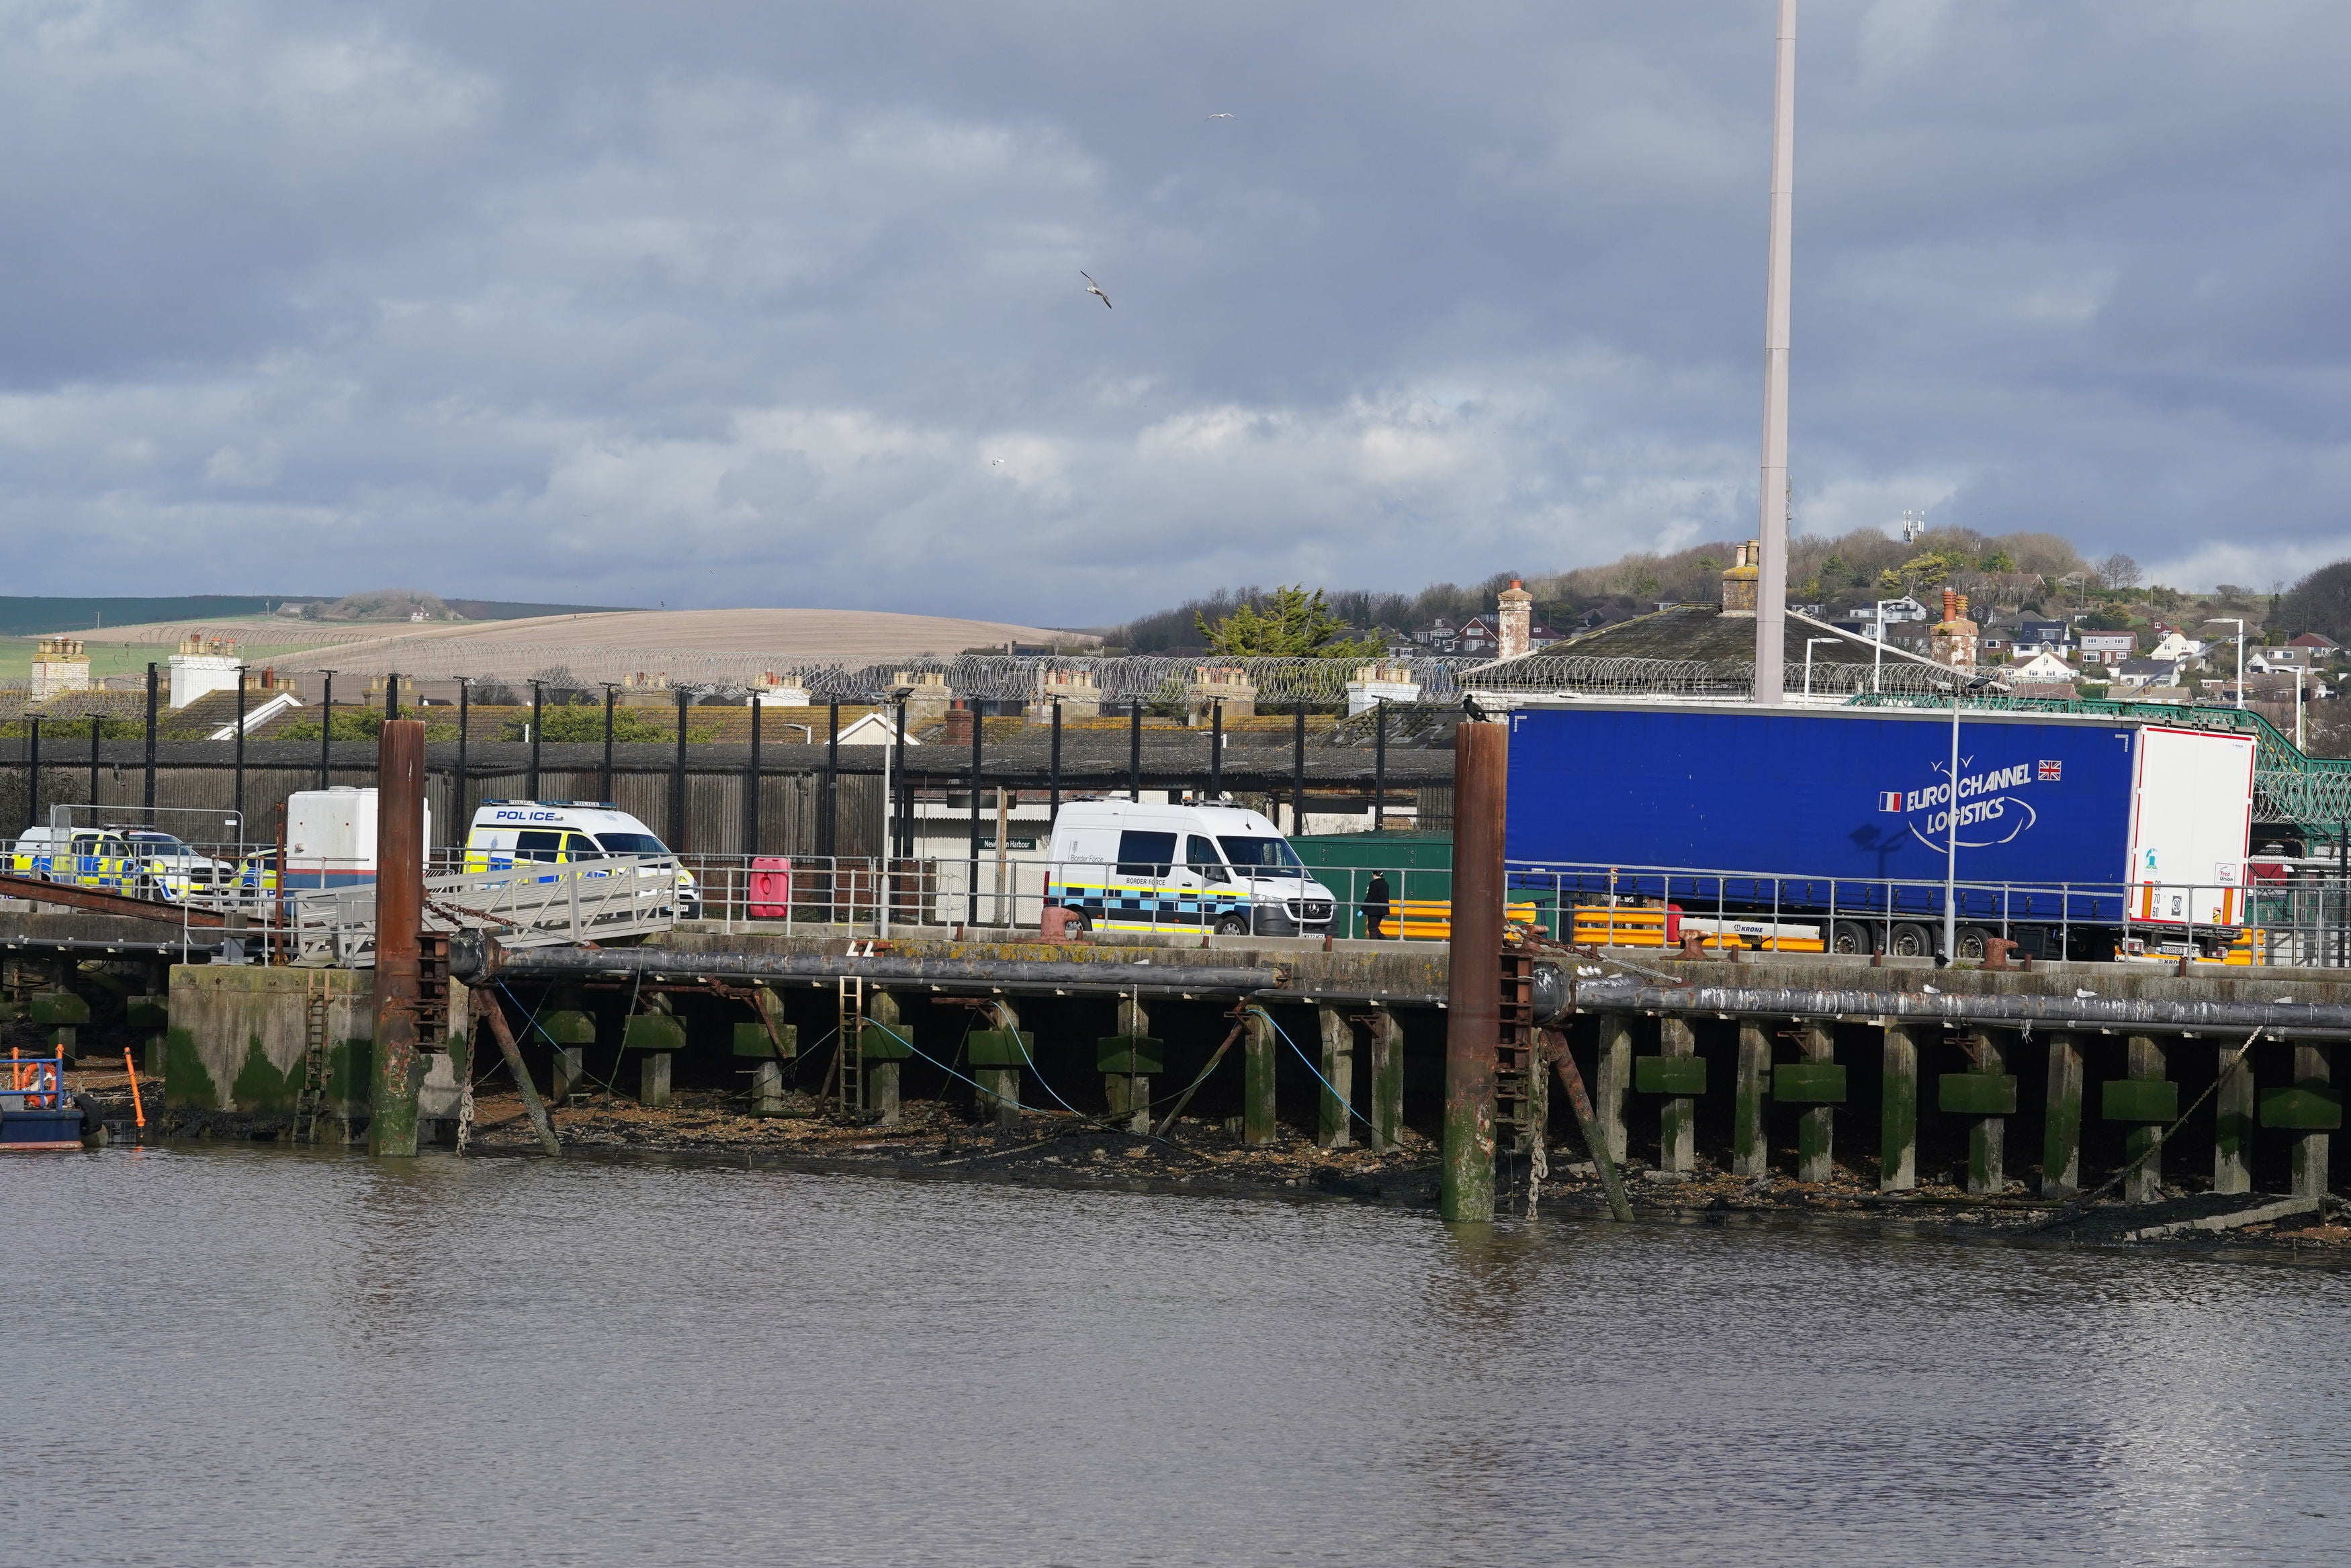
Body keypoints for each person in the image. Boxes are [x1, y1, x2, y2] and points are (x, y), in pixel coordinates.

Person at [1361, 870, 1393, 940]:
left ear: (1375, 875)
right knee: (1375, 927)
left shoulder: (1373, 884)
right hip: (1382, 910)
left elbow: (1370, 897)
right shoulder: (1386, 884)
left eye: (1372, 874)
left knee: (1372, 928)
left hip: (1374, 910)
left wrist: (1362, 909)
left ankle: (1375, 945)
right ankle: (1384, 941)